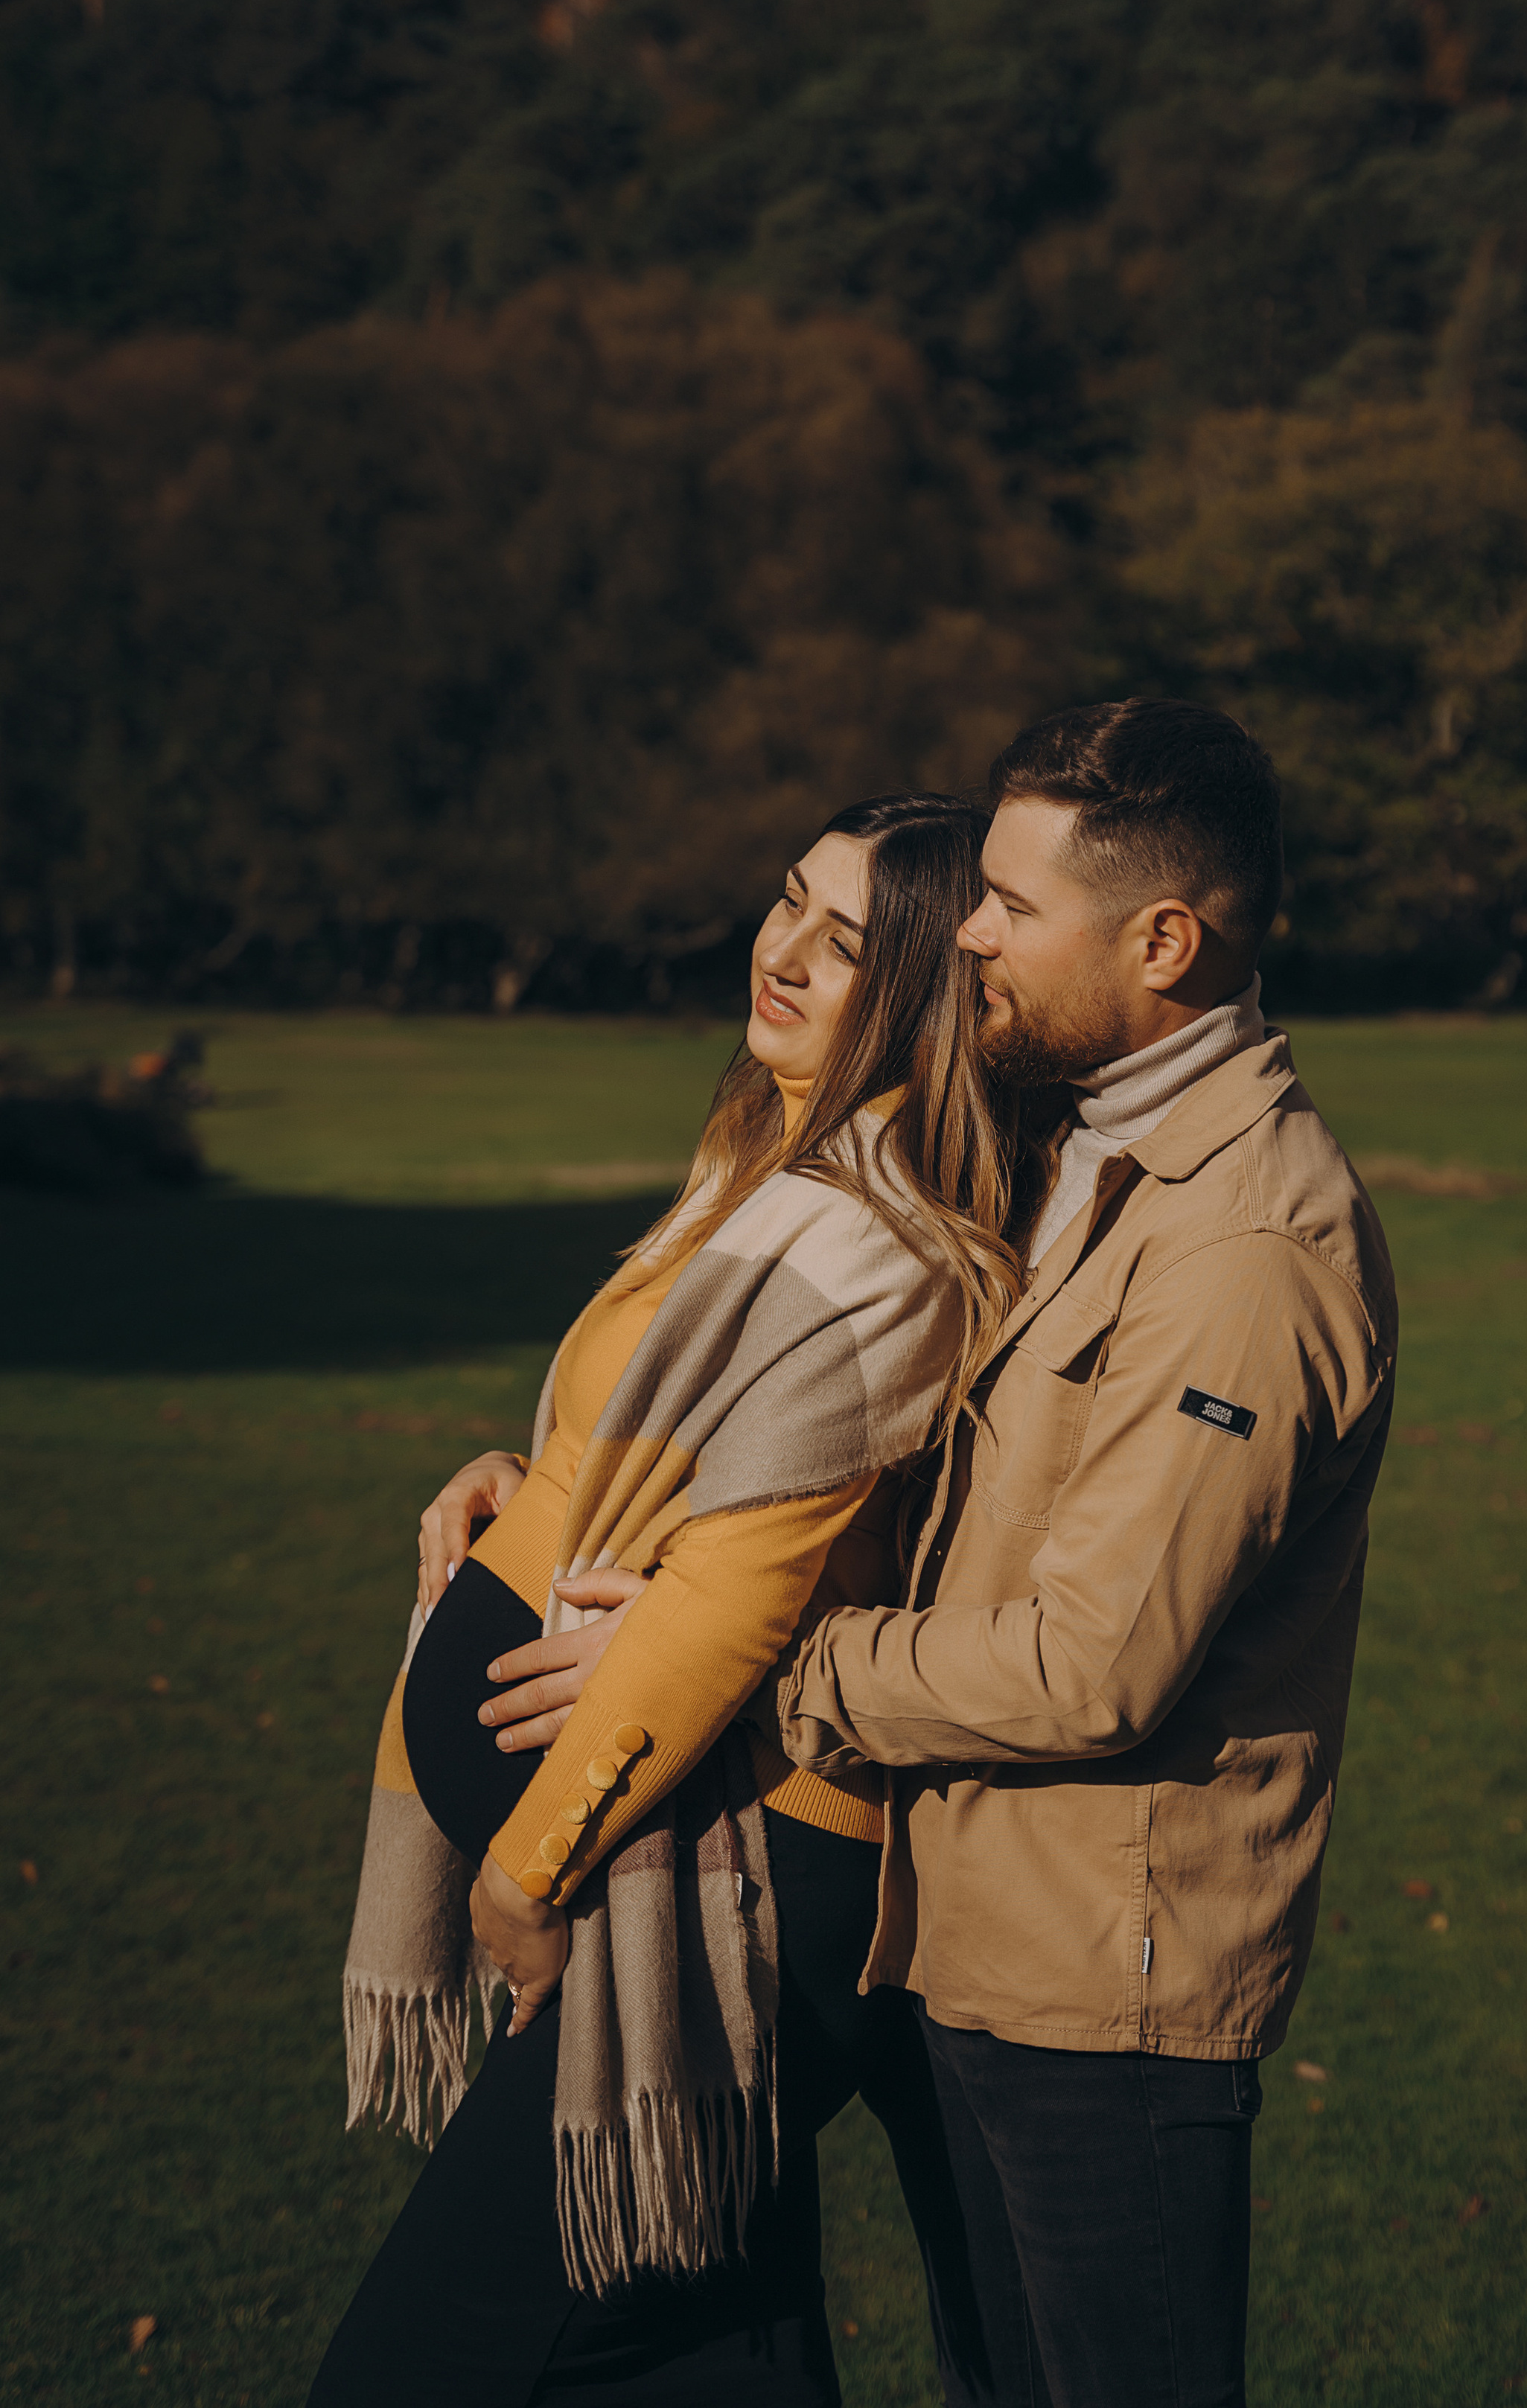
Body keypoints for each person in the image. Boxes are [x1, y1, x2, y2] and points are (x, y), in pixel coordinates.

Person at [313, 795, 1024, 2408]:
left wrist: (528, 1871)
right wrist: (533, 1472)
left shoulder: (874, 1245)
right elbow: (646, 1442)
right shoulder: (764, 1170)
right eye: (786, 902)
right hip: (673, 1864)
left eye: (843, 944)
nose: (781, 950)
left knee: (411, 2370)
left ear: (916, 996)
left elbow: (724, 1597)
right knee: (711, 2360)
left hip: (719, 1898)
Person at [779, 699, 1399, 2408]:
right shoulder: (1070, 1136)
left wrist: (788, 1673)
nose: (964, 929)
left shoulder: (1243, 1250)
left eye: (1005, 901)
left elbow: (1085, 1665)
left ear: (1163, 939)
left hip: (1098, 2005)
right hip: (968, 1940)